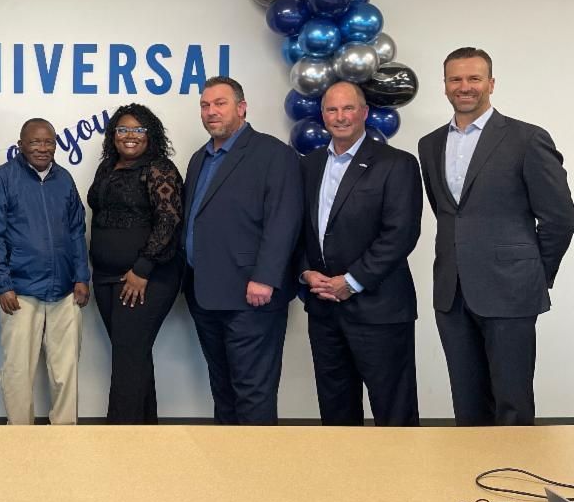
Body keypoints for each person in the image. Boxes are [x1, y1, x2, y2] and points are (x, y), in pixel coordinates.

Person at [419, 47, 574, 426]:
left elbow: (560, 217)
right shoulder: (430, 144)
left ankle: (513, 477)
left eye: (474, 78)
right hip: (452, 292)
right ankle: (471, 476)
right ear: (444, 86)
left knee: (512, 402)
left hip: (511, 290)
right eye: (455, 79)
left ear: (491, 83)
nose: (465, 87)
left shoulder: (526, 138)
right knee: (468, 405)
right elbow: (447, 213)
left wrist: (534, 272)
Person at [299, 81, 423, 427]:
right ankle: (344, 479)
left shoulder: (396, 164)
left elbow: (400, 235)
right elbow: (299, 232)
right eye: (331, 110)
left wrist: (352, 281)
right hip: (324, 310)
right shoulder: (308, 166)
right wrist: (305, 272)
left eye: (348, 108)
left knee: (393, 411)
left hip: (380, 311)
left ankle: (401, 481)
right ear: (322, 115)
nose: (340, 117)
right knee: (336, 411)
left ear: (365, 113)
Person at [182, 76, 302, 425]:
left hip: (252, 296)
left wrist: (265, 278)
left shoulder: (273, 154)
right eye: (205, 105)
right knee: (223, 388)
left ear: (241, 107)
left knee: (253, 390)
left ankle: (256, 471)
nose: (210, 112)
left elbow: (284, 220)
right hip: (205, 294)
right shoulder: (199, 158)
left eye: (220, 103)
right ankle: (228, 467)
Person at [0, 118, 90, 425]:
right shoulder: (1, 180)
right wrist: (2, 284)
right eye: (35, 142)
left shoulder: (65, 180)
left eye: (48, 142)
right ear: (20, 145)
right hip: (20, 291)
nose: (43, 148)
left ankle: (65, 432)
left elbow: (76, 231)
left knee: (66, 367)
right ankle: (20, 434)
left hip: (64, 291)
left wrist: (82, 276)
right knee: (18, 369)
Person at [87, 103, 182, 424]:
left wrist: (142, 269)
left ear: (150, 135)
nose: (130, 136)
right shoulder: (107, 167)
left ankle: (119, 442)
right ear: (113, 135)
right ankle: (145, 434)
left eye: (138, 130)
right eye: (123, 129)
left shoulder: (159, 169)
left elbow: (169, 221)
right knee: (133, 356)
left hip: (146, 279)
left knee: (128, 358)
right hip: (105, 279)